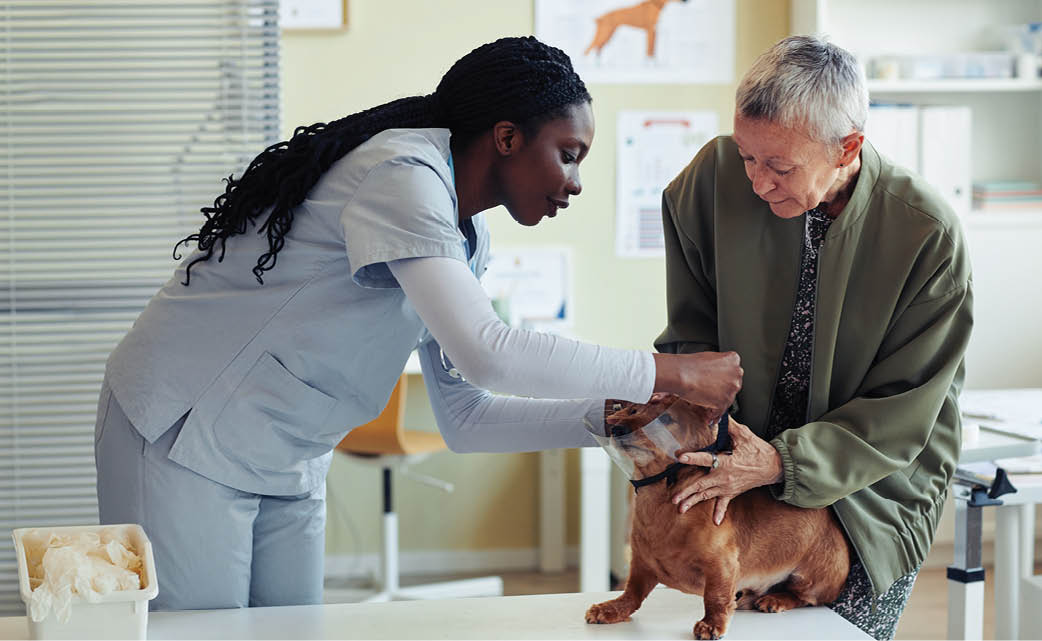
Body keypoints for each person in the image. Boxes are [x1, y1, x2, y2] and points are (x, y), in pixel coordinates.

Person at [93, 36, 742, 611]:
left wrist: (610, 414)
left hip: (287, 452)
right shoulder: (402, 176)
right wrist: (673, 370)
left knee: (289, 629)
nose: (574, 183)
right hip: (180, 430)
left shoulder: (467, 238)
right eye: (568, 154)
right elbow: (491, 353)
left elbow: (464, 417)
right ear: (508, 136)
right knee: (198, 635)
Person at [653, 36, 972, 640]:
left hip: (865, 491)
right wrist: (682, 430)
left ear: (847, 146)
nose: (756, 182)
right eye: (747, 155)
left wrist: (779, 463)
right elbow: (690, 336)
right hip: (734, 472)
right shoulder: (709, 181)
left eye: (780, 166)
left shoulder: (925, 234)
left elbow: (905, 410)